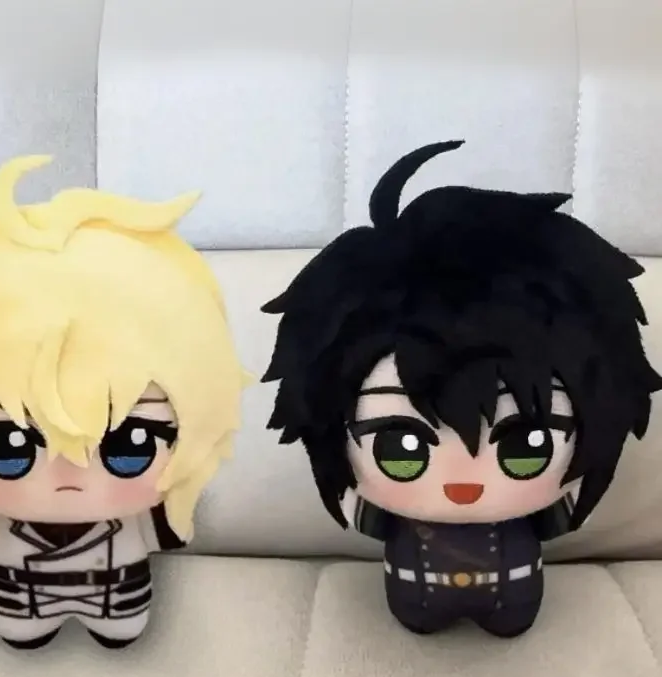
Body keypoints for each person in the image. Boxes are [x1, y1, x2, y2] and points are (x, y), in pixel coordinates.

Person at [260, 140, 661, 637]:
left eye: (526, 448)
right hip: (414, 596)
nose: (462, 483)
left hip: (515, 595)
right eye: (401, 450)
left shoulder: (544, 505)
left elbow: (563, 517)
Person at [0, 155, 249, 650]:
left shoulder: (142, 519)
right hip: (15, 602)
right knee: (23, 630)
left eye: (129, 447)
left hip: (119, 599)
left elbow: (171, 529)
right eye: (8, 449)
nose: (70, 474)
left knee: (119, 628)